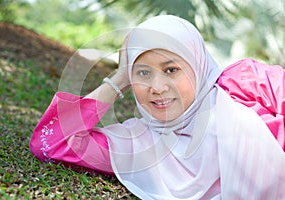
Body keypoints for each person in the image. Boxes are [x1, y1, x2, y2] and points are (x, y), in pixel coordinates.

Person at [30, 15, 285, 199]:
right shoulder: (139, 144)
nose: (158, 87)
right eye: (142, 73)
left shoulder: (242, 81)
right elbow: (52, 144)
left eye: (171, 70)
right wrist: (119, 78)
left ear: (197, 64)